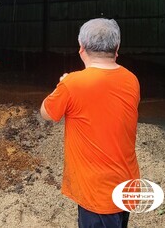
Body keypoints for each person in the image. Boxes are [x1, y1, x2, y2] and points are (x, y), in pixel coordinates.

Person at [39, 18, 140, 228]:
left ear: (81, 48)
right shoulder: (131, 79)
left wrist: (63, 85)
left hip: (96, 193)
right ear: (117, 48)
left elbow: (46, 113)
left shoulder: (73, 84)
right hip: (126, 185)